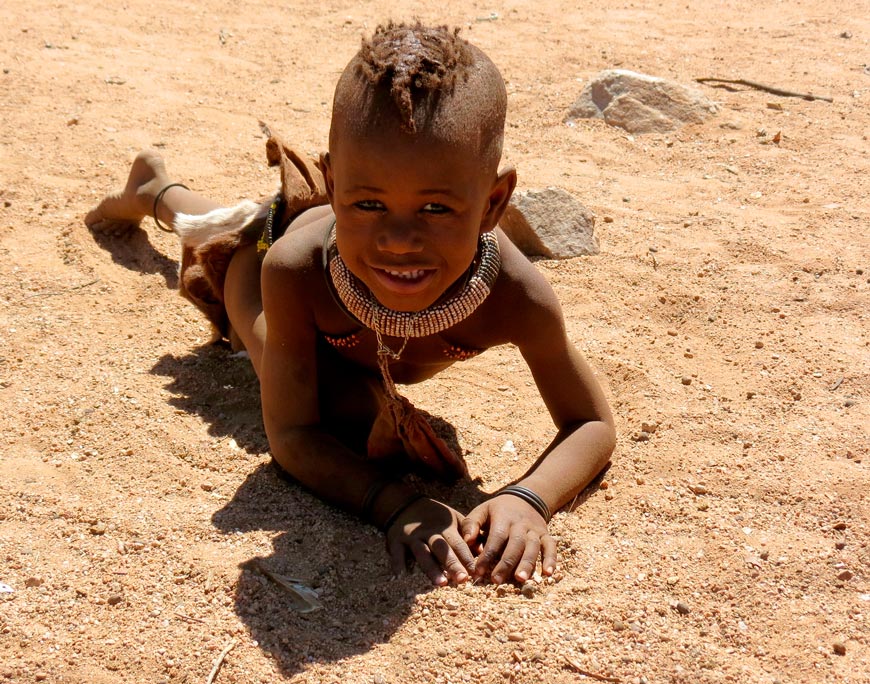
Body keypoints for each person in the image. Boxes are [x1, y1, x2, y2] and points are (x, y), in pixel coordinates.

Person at [86, 22, 616, 588]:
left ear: (493, 204)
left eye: (436, 209)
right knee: (246, 264)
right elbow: (292, 437)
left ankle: (162, 191)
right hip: (268, 272)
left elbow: (591, 422)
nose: (399, 240)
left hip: (333, 261)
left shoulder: (514, 293)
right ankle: (159, 194)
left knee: (368, 415)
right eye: (368, 203)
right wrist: (392, 502)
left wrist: (528, 499)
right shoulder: (294, 272)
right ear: (335, 185)